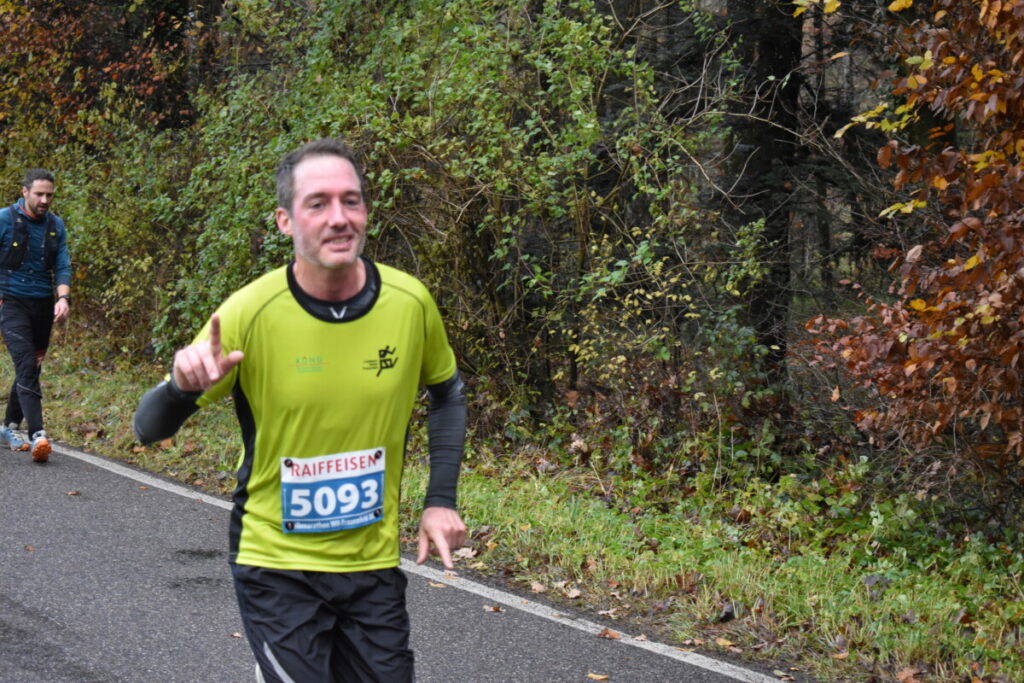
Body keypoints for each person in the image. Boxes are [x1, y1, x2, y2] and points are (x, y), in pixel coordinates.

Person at [132, 138, 467, 683]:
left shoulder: (409, 303)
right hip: (275, 562)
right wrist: (180, 389)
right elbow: (146, 429)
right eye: (318, 203)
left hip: (371, 562)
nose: (339, 217)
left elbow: (447, 393)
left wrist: (440, 501)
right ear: (285, 221)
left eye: (351, 201)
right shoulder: (249, 312)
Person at [0, 168, 72, 463]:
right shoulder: (4, 219)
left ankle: (9, 426)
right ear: (25, 192)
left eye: (49, 195)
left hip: (42, 304)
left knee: (32, 366)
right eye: (39, 194)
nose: (44, 200)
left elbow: (62, 264)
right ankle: (38, 434)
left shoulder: (55, 225)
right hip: (10, 302)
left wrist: (63, 298)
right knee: (26, 364)